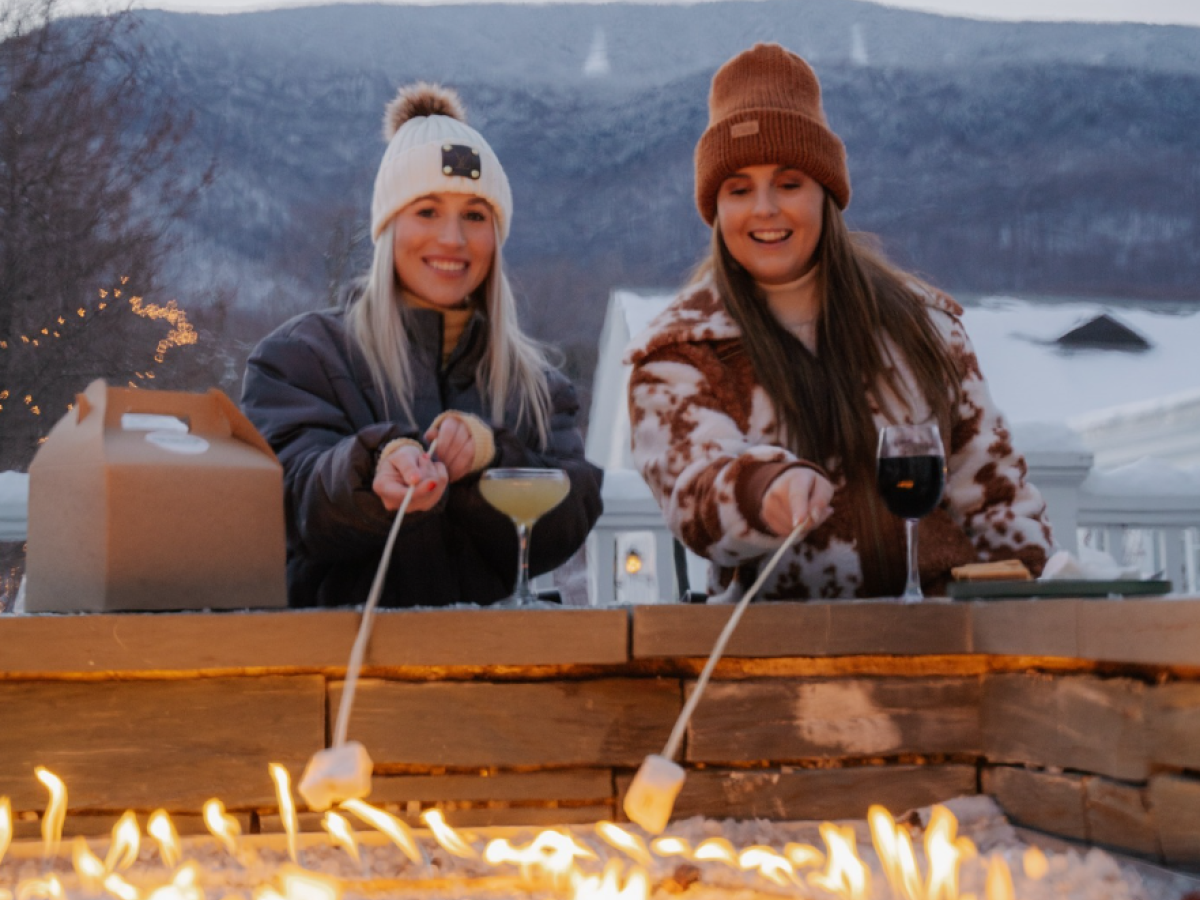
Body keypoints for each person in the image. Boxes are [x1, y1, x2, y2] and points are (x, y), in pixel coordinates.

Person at [626, 44, 1054, 600]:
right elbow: (695, 495)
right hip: (776, 653)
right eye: (738, 189)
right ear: (716, 209)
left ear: (826, 193)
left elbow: (995, 495)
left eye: (789, 183)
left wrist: (1030, 598)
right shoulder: (681, 350)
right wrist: (765, 489)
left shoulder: (925, 326)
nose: (764, 209)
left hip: (942, 639)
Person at [242, 83, 603, 608]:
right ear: (388, 226)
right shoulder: (302, 357)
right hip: (334, 670)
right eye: (427, 211)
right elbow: (286, 501)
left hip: (493, 671)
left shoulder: (538, 386)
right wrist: (371, 470)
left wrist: (491, 455)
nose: (453, 240)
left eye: (476, 216)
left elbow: (569, 516)